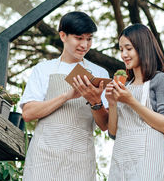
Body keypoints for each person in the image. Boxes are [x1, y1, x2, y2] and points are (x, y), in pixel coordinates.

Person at [20, 11, 109, 181]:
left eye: (89, 39)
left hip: (80, 159)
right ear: (63, 36)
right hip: (44, 157)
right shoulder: (43, 69)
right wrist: (67, 96)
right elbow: (28, 114)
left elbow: (104, 125)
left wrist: (95, 101)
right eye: (79, 38)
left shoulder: (99, 73)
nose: (84, 44)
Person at [105, 23, 164, 181]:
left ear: (143, 47)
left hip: (150, 165)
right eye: (121, 49)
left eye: (128, 48)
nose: (124, 54)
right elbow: (113, 133)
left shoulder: (161, 80)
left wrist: (131, 101)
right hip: (121, 161)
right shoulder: (125, 86)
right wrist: (112, 103)